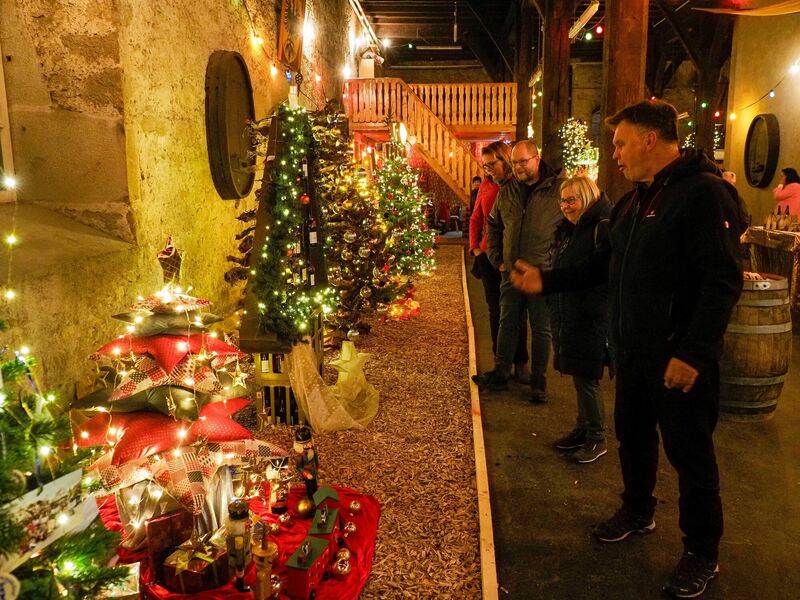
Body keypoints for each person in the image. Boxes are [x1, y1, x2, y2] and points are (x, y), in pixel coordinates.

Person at [511, 100, 742, 598]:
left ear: (650, 140)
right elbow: (602, 266)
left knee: (690, 456)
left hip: (678, 357)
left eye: (620, 142)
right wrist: (546, 280)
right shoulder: (635, 201)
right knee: (633, 437)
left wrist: (694, 354)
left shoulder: (702, 194)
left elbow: (722, 281)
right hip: (633, 352)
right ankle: (638, 511)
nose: (613, 153)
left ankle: (703, 552)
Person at [473, 139, 563, 400]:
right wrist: (497, 258)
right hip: (510, 271)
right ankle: (501, 373)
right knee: (507, 322)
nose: (519, 167)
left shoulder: (556, 190)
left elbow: (568, 229)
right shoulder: (508, 192)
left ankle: (538, 381)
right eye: (515, 162)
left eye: (524, 161)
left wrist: (554, 265)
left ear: (537, 158)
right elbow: (493, 226)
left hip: (541, 273)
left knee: (540, 328)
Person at [548, 175, 611, 464]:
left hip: (587, 317)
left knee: (587, 378)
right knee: (577, 373)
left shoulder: (599, 229)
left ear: (586, 198)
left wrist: (590, 308)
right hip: (569, 313)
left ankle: (597, 436)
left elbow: (601, 276)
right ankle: (583, 427)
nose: (565, 206)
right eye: (562, 200)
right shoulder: (570, 230)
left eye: (571, 200)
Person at [470, 141, 530, 381]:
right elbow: (476, 217)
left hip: (512, 255)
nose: (488, 170)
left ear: (505, 160)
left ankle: (521, 361)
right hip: (488, 257)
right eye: (485, 166)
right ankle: (500, 362)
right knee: (496, 309)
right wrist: (475, 247)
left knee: (516, 310)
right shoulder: (485, 186)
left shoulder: (516, 188)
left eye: (492, 164)